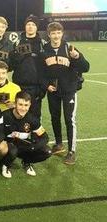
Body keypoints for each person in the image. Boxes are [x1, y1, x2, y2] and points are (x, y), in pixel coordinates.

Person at [42, 22, 90, 165]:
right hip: (53, 91)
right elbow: (41, 72)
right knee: (55, 117)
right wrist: (46, 85)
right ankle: (58, 144)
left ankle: (71, 151)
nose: (56, 36)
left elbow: (86, 67)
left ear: (62, 34)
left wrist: (77, 57)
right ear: (49, 35)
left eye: (58, 33)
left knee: (70, 120)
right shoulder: (44, 50)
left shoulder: (69, 48)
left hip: (69, 90)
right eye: (53, 33)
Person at [2, 91, 52, 176]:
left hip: (23, 145)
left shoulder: (32, 119)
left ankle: (27, 162)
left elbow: (45, 137)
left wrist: (33, 147)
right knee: (13, 151)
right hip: (8, 145)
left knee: (47, 151)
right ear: (15, 104)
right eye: (20, 104)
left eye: (26, 105)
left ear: (30, 105)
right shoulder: (5, 116)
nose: (23, 108)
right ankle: (5, 164)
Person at [10, 15, 47, 121]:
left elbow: (46, 68)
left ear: (37, 27)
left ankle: (36, 137)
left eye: (33, 25)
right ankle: (18, 137)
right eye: (28, 24)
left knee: (35, 116)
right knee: (17, 115)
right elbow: (11, 65)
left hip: (36, 88)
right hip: (19, 86)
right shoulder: (17, 43)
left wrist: (42, 89)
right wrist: (18, 56)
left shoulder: (43, 44)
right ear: (25, 27)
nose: (30, 27)